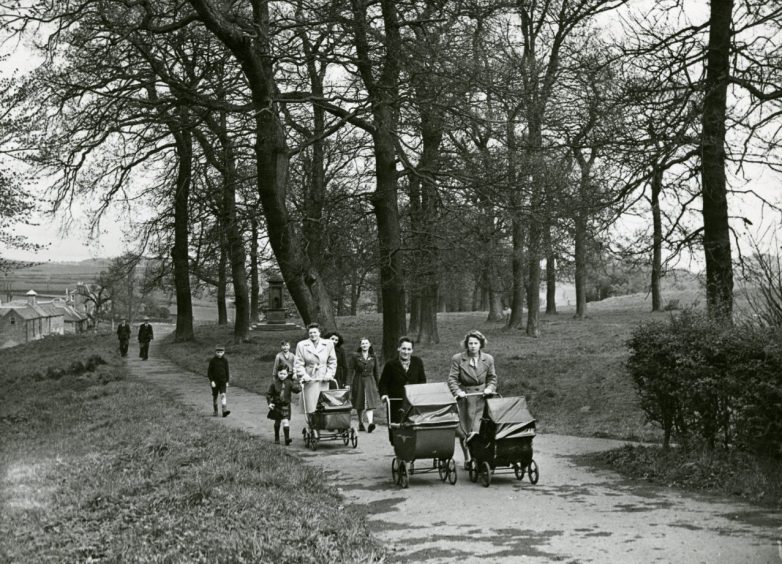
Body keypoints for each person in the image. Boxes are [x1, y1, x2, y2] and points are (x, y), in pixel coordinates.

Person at [447, 330, 497, 469]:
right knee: (465, 431)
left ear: (481, 344)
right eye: (470, 343)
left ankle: (480, 458)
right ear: (466, 344)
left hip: (482, 398)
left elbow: (492, 378)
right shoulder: (458, 358)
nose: (473, 346)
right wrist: (458, 391)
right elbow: (452, 379)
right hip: (466, 398)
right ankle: (468, 458)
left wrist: (490, 389)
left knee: (480, 429)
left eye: (476, 343)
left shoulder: (488, 359)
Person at [379, 336, 427, 444]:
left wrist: (420, 395)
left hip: (412, 403)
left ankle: (409, 452)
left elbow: (422, 381)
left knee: (412, 428)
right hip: (396, 402)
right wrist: (384, 395)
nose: (406, 352)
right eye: (403, 349)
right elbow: (383, 383)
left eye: (409, 349)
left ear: (412, 350)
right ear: (398, 349)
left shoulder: (417, 362)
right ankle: (399, 451)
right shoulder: (390, 365)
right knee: (396, 428)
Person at [293, 323, 336, 437]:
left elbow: (332, 361)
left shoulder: (328, 344)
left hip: (323, 377)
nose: (313, 335)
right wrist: (304, 375)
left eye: (315, 332)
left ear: (319, 333)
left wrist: (329, 374)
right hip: (310, 378)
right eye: (310, 333)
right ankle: (312, 426)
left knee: (323, 403)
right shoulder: (302, 345)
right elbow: (298, 363)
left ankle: (324, 425)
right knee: (311, 404)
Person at [349, 337, 380, 433]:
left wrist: (379, 385)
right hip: (358, 380)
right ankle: (361, 422)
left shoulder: (373, 356)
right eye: (363, 343)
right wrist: (348, 384)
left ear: (370, 344)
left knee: (369, 402)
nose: (364, 345)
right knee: (360, 402)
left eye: (366, 343)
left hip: (370, 381)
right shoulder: (355, 356)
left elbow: (376, 372)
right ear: (360, 345)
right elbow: (351, 370)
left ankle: (370, 423)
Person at [266, 366, 302, 445]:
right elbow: (269, 394)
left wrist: (299, 383)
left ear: (287, 374)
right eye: (280, 373)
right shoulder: (274, 383)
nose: (282, 375)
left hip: (285, 405)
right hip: (277, 405)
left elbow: (296, 390)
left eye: (284, 374)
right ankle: (277, 437)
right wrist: (270, 403)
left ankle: (287, 439)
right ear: (277, 373)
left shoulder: (289, 383)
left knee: (285, 422)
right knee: (277, 422)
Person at [208, 345, 231, 417]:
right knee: (215, 396)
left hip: (223, 381)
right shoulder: (212, 361)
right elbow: (209, 372)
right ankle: (215, 411)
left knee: (223, 395)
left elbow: (227, 371)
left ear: (224, 352)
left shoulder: (225, 360)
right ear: (215, 352)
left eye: (221, 352)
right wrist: (212, 381)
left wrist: (227, 381)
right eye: (218, 352)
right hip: (215, 382)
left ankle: (224, 411)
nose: (219, 353)